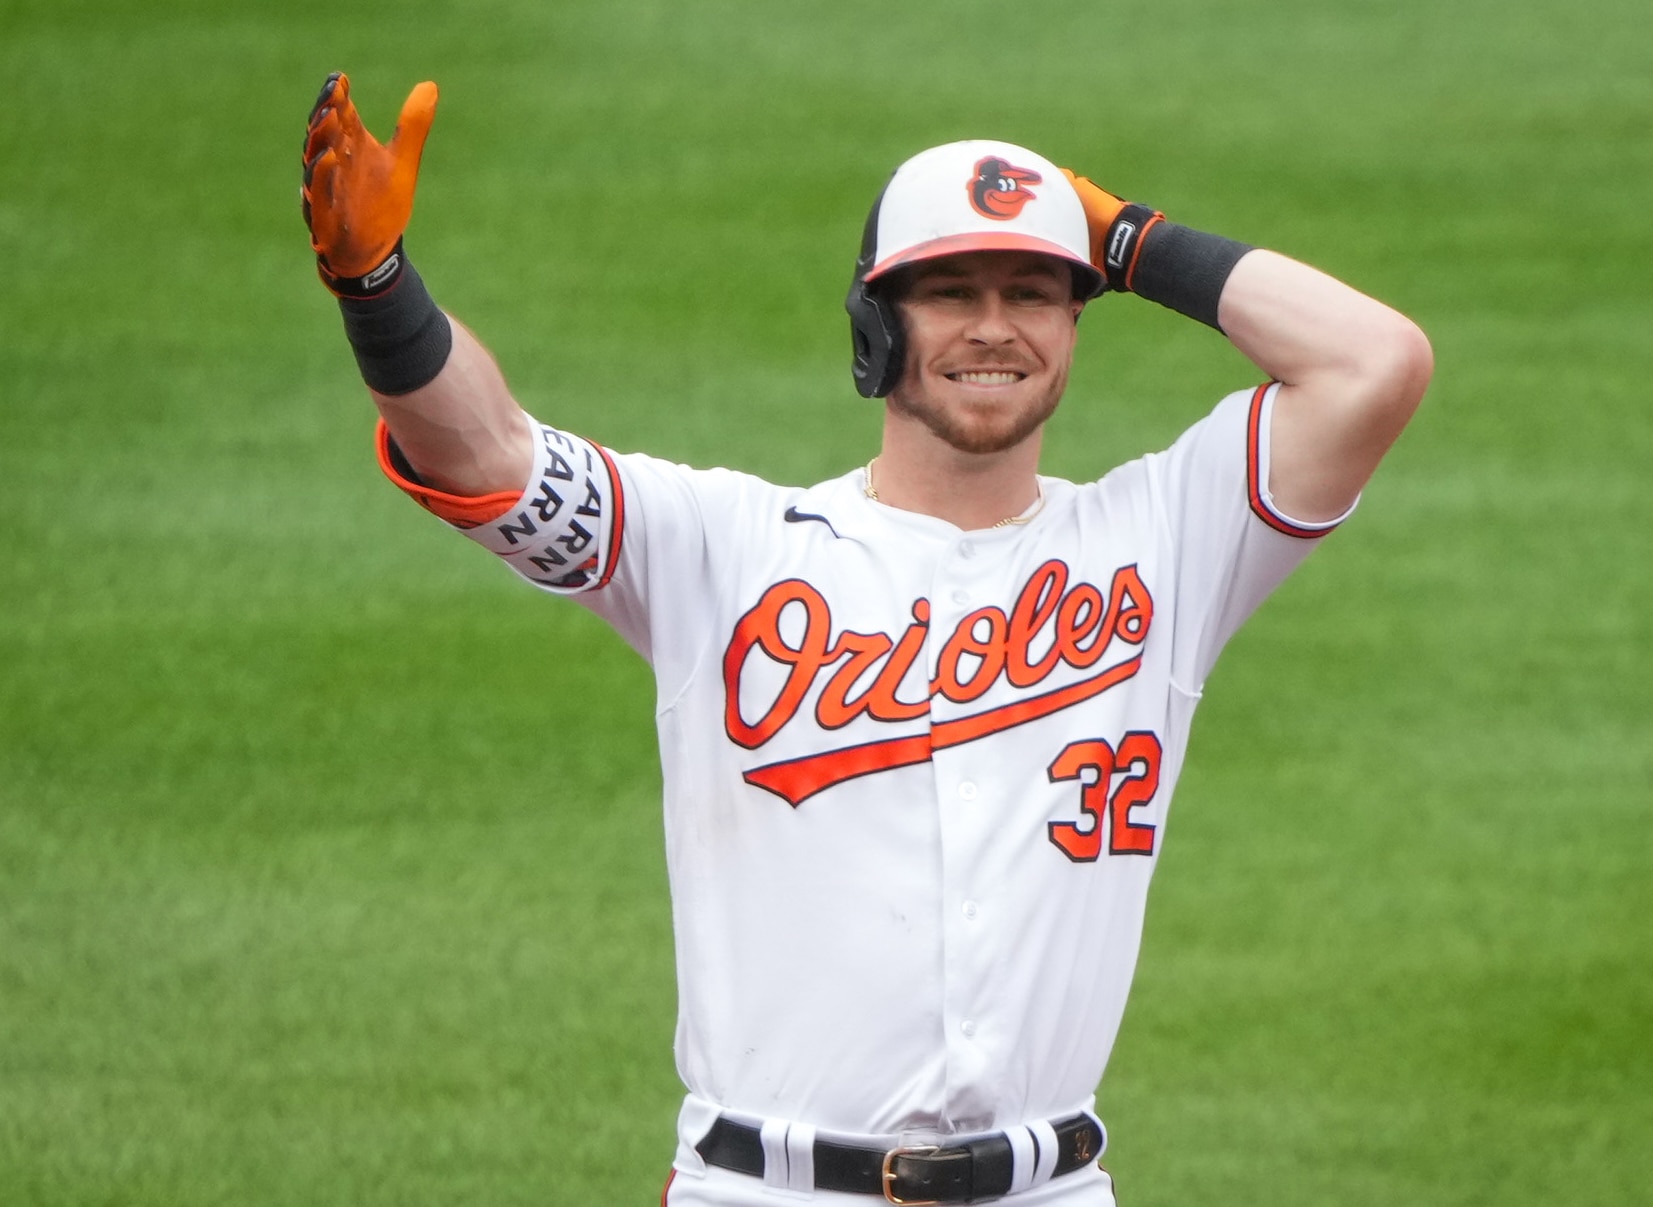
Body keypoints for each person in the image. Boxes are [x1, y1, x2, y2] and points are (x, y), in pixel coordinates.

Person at [301, 72, 1432, 1207]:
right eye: (950, 291)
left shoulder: (1165, 542)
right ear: (875, 322)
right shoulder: (722, 549)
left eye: (1034, 292)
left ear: (1076, 322)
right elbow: (484, 452)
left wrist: (1133, 238)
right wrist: (376, 287)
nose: (994, 327)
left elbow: (1373, 362)